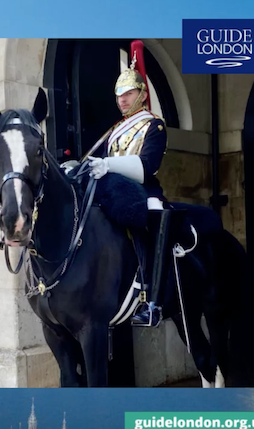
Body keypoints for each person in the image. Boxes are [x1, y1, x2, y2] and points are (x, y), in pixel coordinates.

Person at [84, 40, 173, 327]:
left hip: (143, 191)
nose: (122, 99)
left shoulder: (153, 125)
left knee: (152, 216)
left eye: (128, 92)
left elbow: (147, 167)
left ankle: (152, 299)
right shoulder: (114, 130)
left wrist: (107, 164)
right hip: (113, 191)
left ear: (142, 93)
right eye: (118, 94)